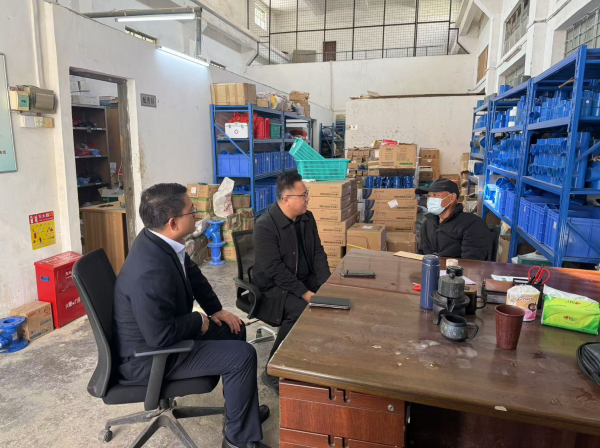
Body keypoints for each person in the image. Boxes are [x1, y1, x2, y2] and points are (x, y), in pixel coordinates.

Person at [112, 183, 271, 448]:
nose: (197, 215)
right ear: (173, 223)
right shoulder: (149, 272)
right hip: (150, 358)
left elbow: (193, 275)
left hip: (163, 335)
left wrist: (215, 310)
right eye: (192, 211)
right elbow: (159, 337)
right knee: (242, 356)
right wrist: (199, 321)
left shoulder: (160, 240)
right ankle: (238, 442)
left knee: (235, 328)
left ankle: (241, 418)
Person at [252, 172, 330, 394]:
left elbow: (317, 252)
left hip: (302, 277)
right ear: (286, 199)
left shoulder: (307, 218)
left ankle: (306, 358)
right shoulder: (265, 226)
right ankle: (272, 372)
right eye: (303, 195)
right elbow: (275, 270)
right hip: (273, 287)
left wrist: (326, 284)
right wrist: (305, 293)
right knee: (301, 310)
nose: (307, 199)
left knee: (335, 299)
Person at [417, 178, 491, 260]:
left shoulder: (473, 224)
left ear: (452, 197)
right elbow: (422, 253)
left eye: (435, 195)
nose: (430, 199)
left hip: (456, 268)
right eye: (428, 196)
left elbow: (471, 262)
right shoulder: (428, 223)